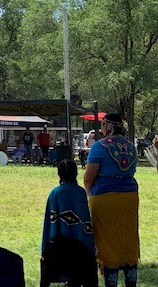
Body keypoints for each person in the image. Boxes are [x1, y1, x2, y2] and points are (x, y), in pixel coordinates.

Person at [83, 113, 139, 287]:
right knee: (128, 239)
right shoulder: (131, 147)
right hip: (130, 198)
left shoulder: (99, 147)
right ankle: (131, 280)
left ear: (108, 126)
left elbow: (88, 178)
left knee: (107, 242)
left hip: (105, 197)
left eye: (103, 124)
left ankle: (111, 281)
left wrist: (90, 194)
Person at [41, 159, 96, 287]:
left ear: (59, 174)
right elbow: (85, 223)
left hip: (57, 251)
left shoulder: (55, 193)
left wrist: (45, 248)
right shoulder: (80, 192)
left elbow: (50, 223)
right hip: (81, 251)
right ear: (76, 173)